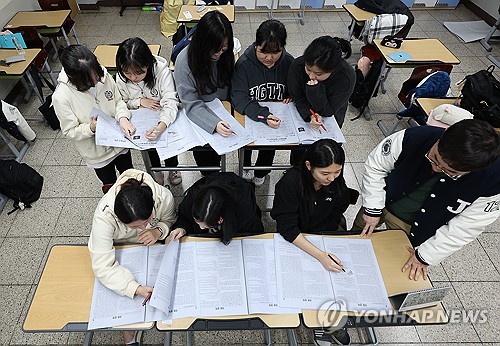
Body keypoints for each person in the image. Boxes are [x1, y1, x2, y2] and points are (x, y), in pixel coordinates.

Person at [354, 119, 500, 281]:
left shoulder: (493, 180)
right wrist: (372, 208)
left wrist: (425, 256)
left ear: (473, 170)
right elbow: (376, 166)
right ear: (444, 134)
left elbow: (467, 227)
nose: (435, 168)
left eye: (449, 171)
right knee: (355, 236)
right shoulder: (415, 137)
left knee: (394, 267)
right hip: (381, 200)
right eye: (434, 158)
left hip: (416, 226)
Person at [271, 138, 354, 346]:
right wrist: (320, 255)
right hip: (295, 237)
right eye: (325, 173)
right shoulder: (290, 184)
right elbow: (287, 227)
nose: (331, 178)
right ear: (309, 166)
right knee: (306, 279)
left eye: (337, 172)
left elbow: (337, 210)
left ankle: (333, 319)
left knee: (336, 273)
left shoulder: (336, 181)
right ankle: (320, 322)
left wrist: (324, 241)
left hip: (321, 234)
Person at [89, 169, 176, 345]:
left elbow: (169, 220)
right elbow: (102, 265)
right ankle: (130, 329)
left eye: (147, 221)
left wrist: (158, 230)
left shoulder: (164, 196)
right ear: (120, 220)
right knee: (124, 293)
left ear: (152, 204)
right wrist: (134, 288)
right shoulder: (104, 215)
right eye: (137, 226)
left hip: (155, 246)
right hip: (122, 249)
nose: (144, 228)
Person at [52, 45, 135, 192]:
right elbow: (69, 131)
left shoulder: (101, 73)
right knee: (111, 186)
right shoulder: (61, 97)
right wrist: (91, 128)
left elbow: (118, 100)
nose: (97, 82)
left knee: (130, 177)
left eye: (97, 77)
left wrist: (122, 117)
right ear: (75, 79)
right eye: (90, 82)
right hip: (98, 154)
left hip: (120, 142)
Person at [231, 19, 294, 187]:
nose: (269, 58)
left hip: (275, 120)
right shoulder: (244, 64)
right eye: (263, 51)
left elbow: (296, 88)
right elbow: (239, 98)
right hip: (251, 116)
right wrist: (264, 115)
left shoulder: (288, 62)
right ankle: (246, 167)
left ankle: (262, 171)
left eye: (275, 52)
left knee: (269, 148)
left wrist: (291, 95)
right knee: (247, 146)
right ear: (256, 45)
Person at [174, 10, 234, 175]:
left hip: (224, 111)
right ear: (202, 43)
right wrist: (214, 123)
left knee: (219, 159)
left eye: (223, 48)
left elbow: (231, 83)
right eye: (214, 49)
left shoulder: (225, 54)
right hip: (199, 117)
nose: (219, 53)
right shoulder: (184, 62)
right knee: (207, 164)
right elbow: (190, 103)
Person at [116, 37, 182, 186]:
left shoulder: (161, 72)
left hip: (163, 119)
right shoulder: (121, 78)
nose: (133, 78)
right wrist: (139, 101)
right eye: (127, 73)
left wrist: (161, 126)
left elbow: (171, 101)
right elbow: (120, 102)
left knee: (167, 143)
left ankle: (173, 168)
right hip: (141, 122)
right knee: (150, 147)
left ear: (148, 65)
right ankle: (156, 171)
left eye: (139, 73)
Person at [287, 36, 356, 165]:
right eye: (308, 69)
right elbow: (298, 97)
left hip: (331, 115)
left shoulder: (346, 76)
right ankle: (296, 169)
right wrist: (308, 115)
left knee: (324, 153)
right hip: (304, 110)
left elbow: (328, 110)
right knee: (300, 148)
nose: (311, 76)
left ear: (332, 69)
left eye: (318, 74)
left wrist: (315, 89)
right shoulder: (297, 65)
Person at [167, 172, 264, 244]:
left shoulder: (243, 207)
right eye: (197, 222)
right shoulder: (193, 196)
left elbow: (254, 232)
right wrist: (181, 228)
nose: (200, 227)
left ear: (220, 220)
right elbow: (184, 218)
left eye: (205, 226)